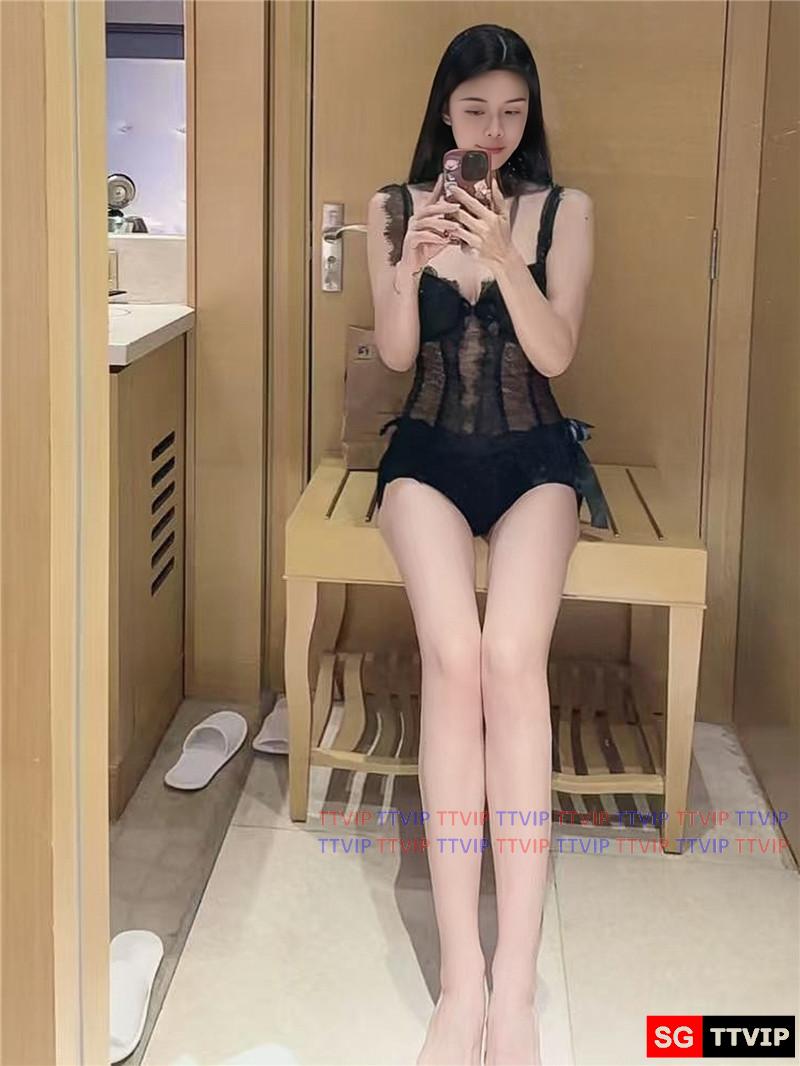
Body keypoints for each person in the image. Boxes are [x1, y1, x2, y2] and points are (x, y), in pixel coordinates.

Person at [365, 23, 610, 1066]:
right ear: (443, 111)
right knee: (453, 654)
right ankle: (460, 982)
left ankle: (514, 987)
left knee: (511, 658)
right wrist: (409, 262)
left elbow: (554, 352)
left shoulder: (563, 211)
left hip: (533, 457)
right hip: (424, 454)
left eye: (512, 112)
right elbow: (394, 355)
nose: (494, 131)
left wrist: (506, 255)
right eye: (475, 111)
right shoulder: (395, 206)